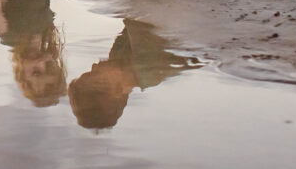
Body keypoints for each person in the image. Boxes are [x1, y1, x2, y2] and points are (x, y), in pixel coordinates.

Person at [68, 20, 198, 129]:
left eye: (89, 71)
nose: (94, 66)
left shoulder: (118, 61)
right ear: (118, 90)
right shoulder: (149, 66)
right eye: (95, 75)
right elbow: (142, 14)